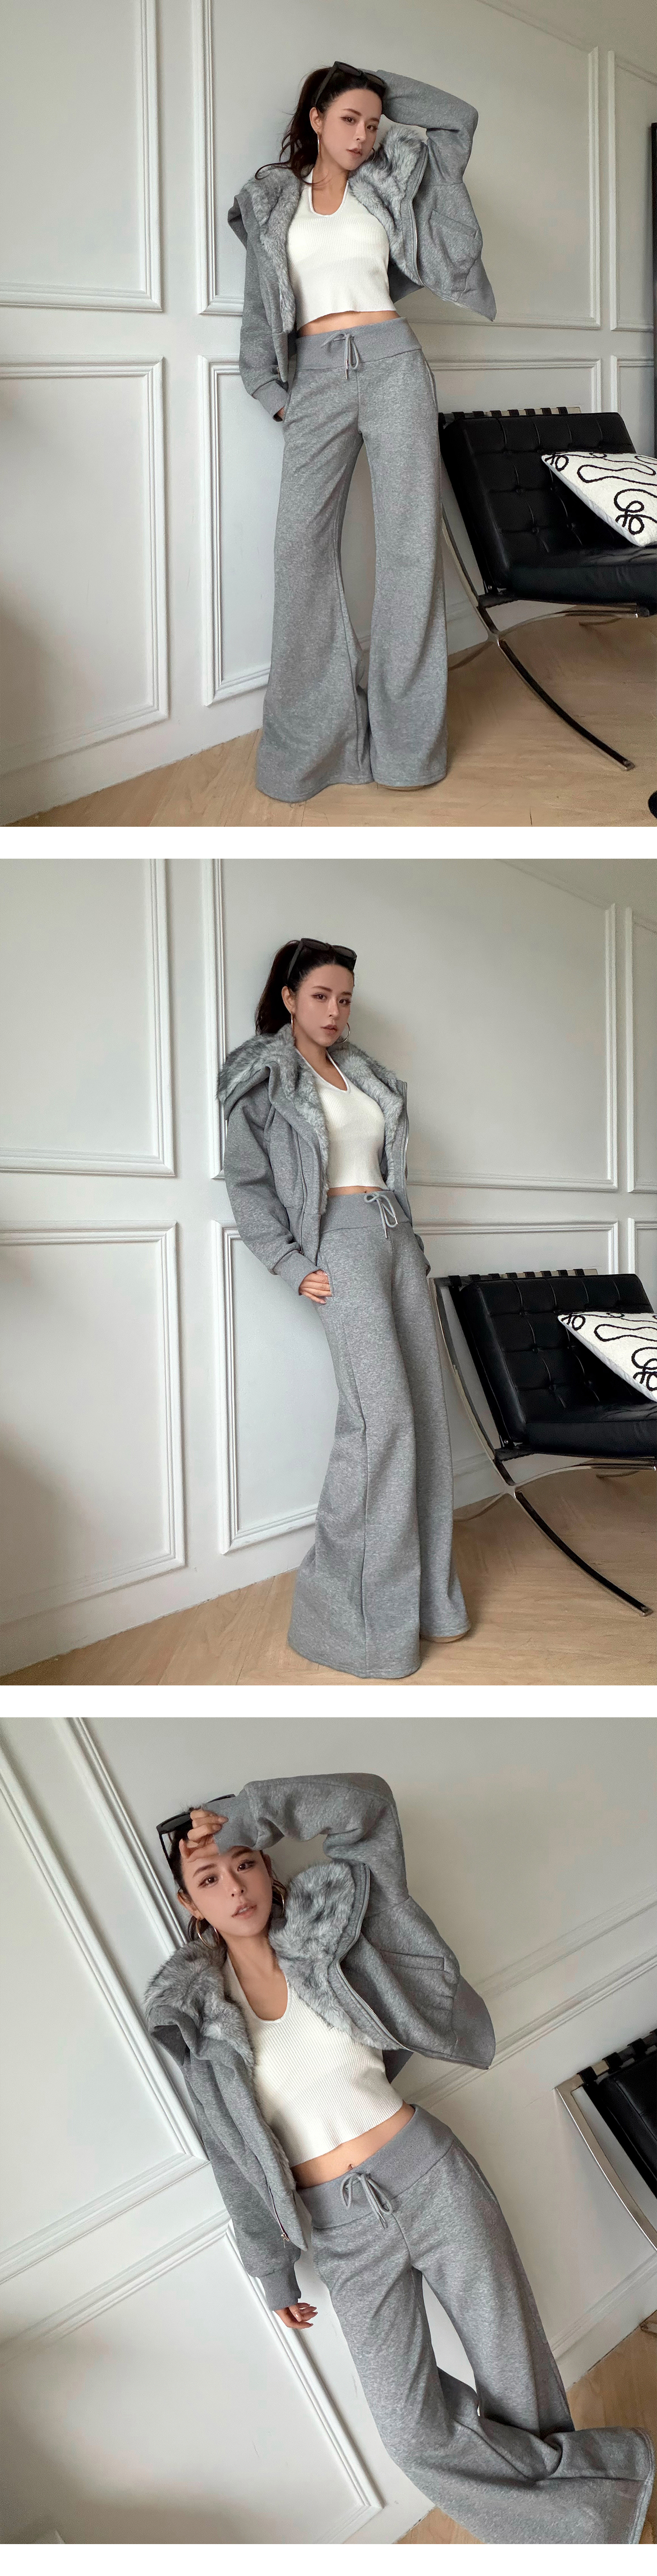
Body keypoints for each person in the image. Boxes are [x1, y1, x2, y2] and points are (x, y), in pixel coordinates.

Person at [145, 1777, 654, 2547]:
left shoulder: (333, 1933)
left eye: (245, 1862)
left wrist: (253, 1812)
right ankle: (609, 2489)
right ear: (190, 1904)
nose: (235, 1887)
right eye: (209, 1877)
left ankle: (580, 2543)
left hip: (432, 2176)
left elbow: (369, 1807)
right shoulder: (200, 2023)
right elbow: (232, 2157)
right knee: (410, 2430)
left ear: (268, 1865)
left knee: (516, 2380)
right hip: (341, 2231)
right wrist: (273, 2270)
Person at [228, 61, 495, 800]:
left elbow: (459, 120)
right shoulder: (271, 201)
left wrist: (372, 82)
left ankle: (407, 752)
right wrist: (275, 395)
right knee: (300, 555)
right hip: (315, 380)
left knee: (410, 554)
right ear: (315, 119)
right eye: (348, 118)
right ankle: (311, 751)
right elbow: (258, 314)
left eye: (372, 123)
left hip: (394, 366)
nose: (363, 134)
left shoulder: (391, 180)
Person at [217, 935, 467, 1679]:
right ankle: (356, 1627)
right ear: (289, 997)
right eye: (321, 996)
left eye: (345, 999)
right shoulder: (264, 1077)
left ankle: (429, 1605)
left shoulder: (361, 1073)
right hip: (342, 1247)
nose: (335, 1010)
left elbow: (384, 1163)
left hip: (396, 1238)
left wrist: (409, 1246)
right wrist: (294, 1264)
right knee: (380, 1425)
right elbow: (247, 1184)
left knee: (425, 1417)